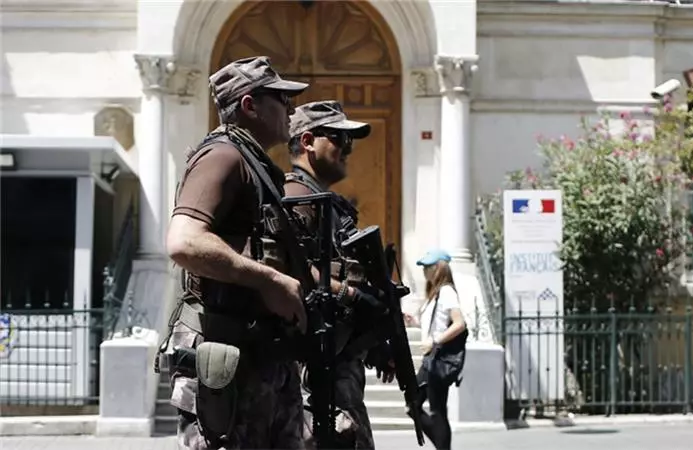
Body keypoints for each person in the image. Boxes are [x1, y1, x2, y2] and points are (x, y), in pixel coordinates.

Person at [162, 56, 310, 450]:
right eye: (281, 99)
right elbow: (184, 241)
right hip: (228, 351)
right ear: (249, 105)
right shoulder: (223, 156)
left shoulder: (256, 164)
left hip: (262, 356)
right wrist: (268, 279)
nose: (291, 110)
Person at [284, 100, 395, 449]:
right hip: (312, 366)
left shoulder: (327, 203)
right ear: (307, 142)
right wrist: (352, 296)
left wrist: (373, 338)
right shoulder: (296, 198)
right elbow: (292, 267)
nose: (348, 149)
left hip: (339, 357)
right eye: (338, 138)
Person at [403, 249, 467, 450]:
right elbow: (435, 324)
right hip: (431, 358)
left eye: (428, 267)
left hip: (437, 357)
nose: (425, 271)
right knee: (417, 405)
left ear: (439, 268)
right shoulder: (436, 293)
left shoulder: (446, 291)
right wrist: (413, 322)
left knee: (433, 409)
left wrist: (435, 341)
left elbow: (459, 323)